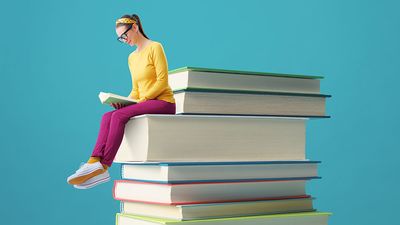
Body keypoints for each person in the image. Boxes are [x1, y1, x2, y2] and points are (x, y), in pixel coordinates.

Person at [66, 14, 176, 189]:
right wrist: (125, 101)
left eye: (125, 35)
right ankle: (93, 161)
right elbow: (135, 89)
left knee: (118, 117)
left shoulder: (155, 47)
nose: (124, 40)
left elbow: (162, 82)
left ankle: (104, 167)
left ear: (135, 27)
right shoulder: (131, 58)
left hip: (164, 102)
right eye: (120, 38)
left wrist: (142, 100)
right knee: (107, 116)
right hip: (144, 101)